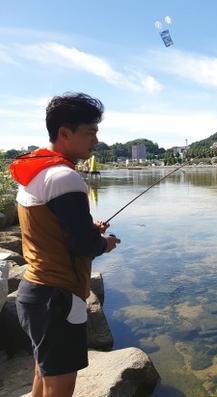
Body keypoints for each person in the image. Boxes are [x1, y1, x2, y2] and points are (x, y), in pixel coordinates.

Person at [9, 92, 120, 397]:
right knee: (60, 387)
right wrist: (105, 243)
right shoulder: (64, 177)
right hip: (58, 297)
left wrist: (87, 229)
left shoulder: (34, 172)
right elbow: (86, 246)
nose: (95, 140)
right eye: (90, 132)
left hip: (34, 291)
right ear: (64, 133)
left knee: (43, 372)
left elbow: (52, 229)